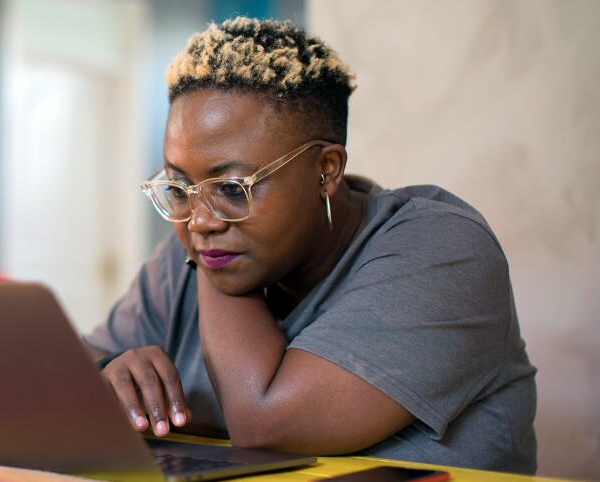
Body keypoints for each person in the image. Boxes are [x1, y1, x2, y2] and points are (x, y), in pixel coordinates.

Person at [84, 17, 537, 474]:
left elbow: (264, 422)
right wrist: (111, 370)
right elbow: (65, 368)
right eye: (180, 187)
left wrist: (216, 267)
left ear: (326, 169)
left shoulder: (443, 251)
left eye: (233, 188)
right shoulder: (184, 257)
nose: (198, 220)